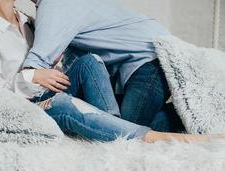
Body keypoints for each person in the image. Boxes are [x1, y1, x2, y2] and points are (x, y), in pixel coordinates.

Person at [0, 0, 224, 143]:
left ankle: (114, 128)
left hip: (148, 62)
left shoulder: (29, 21)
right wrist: (32, 76)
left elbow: (53, 60)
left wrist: (44, 72)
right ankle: (143, 134)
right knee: (64, 103)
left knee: (90, 61)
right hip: (30, 103)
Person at [24, 0, 184, 132]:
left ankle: (184, 119)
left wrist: (22, 83)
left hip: (151, 59)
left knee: (124, 132)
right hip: (158, 54)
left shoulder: (53, 4)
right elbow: (75, 59)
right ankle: (182, 115)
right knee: (125, 126)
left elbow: (37, 62)